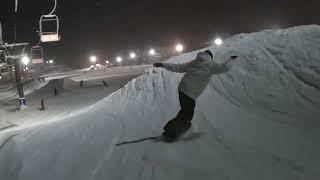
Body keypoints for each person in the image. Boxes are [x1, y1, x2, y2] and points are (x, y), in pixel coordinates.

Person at [154, 50, 238, 140]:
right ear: (210, 57)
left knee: (185, 110)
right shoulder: (211, 64)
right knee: (187, 113)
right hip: (189, 93)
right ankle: (171, 133)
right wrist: (231, 59)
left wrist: (163, 65)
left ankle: (180, 125)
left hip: (182, 89)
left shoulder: (194, 62)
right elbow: (224, 68)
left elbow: (178, 67)